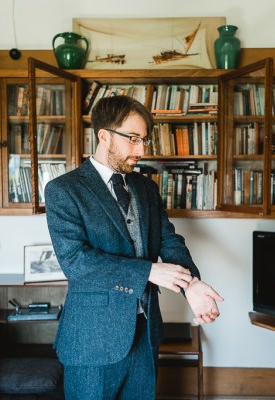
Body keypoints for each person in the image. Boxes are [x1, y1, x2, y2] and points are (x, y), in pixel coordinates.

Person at [45, 94, 223, 400]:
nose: (141, 149)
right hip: (92, 340)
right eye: (133, 139)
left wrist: (191, 283)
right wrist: (149, 271)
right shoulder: (63, 190)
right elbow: (76, 262)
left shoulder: (146, 187)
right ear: (104, 136)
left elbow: (168, 240)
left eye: (144, 140)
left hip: (146, 333)